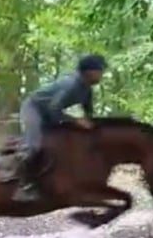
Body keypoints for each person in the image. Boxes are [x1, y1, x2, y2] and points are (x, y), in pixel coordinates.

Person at [13, 53, 107, 201]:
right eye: (101, 71)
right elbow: (53, 109)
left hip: (49, 113)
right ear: (90, 71)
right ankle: (23, 186)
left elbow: (89, 115)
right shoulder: (70, 84)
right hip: (34, 109)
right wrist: (76, 121)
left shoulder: (86, 89)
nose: (102, 74)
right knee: (35, 146)